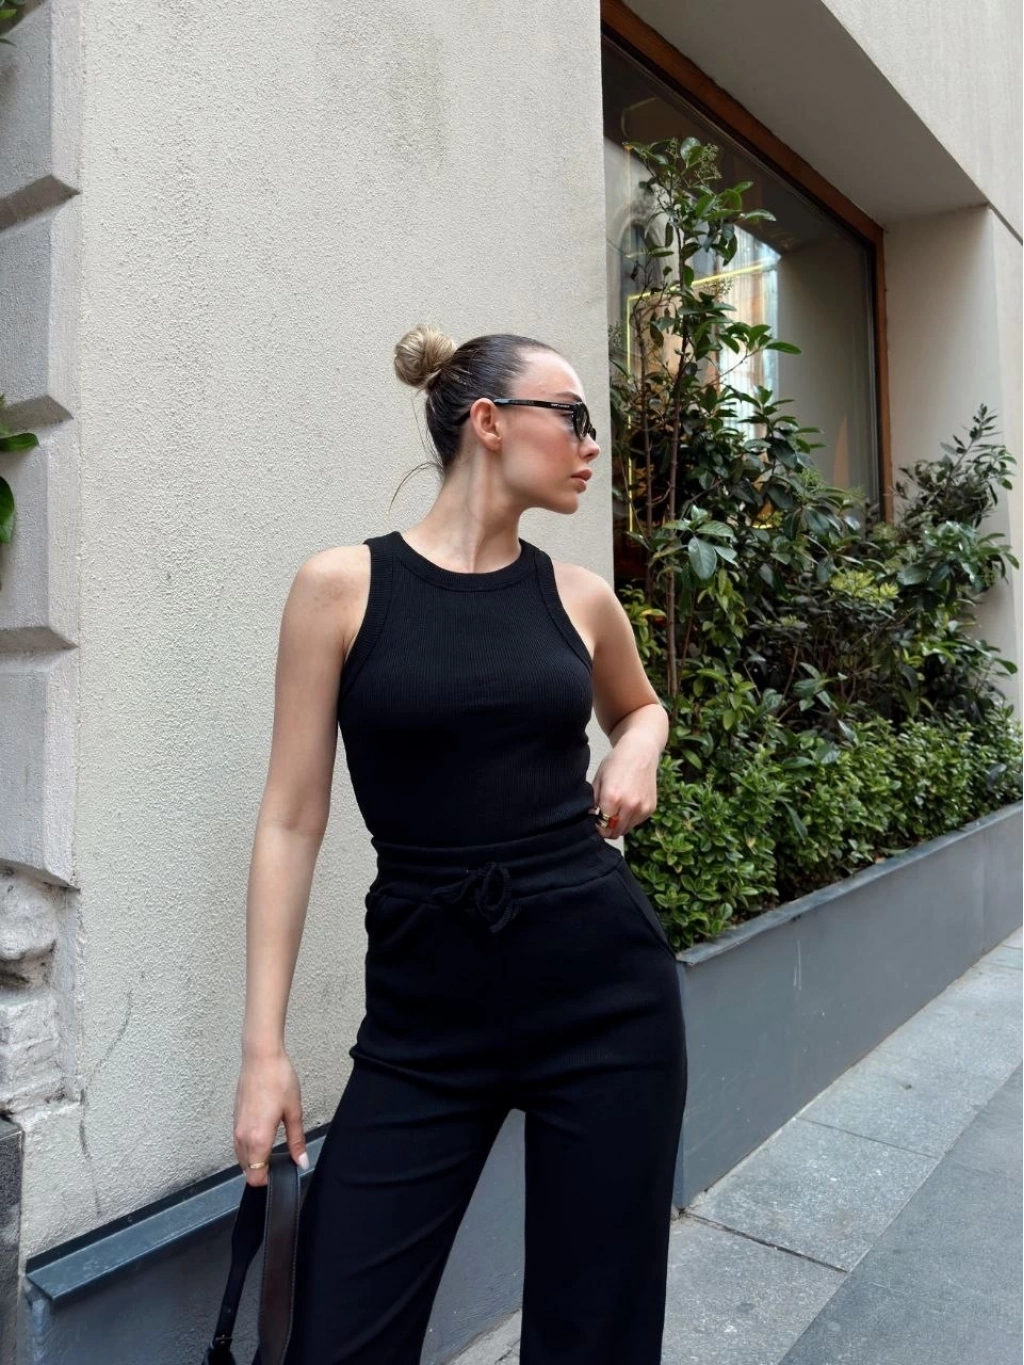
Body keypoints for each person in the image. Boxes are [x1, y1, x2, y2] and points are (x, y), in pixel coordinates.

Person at [233, 325, 687, 1364]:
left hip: (604, 992)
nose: (590, 444)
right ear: (489, 421)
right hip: (425, 1012)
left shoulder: (579, 597)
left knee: (595, 1335)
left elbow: (641, 707)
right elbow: (292, 818)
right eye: (572, 417)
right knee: (335, 1336)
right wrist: (264, 1052)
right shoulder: (341, 587)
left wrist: (638, 749)